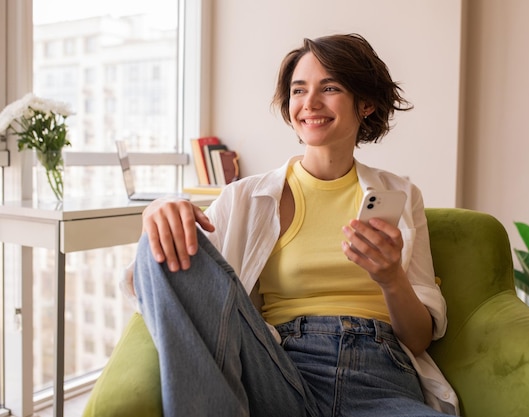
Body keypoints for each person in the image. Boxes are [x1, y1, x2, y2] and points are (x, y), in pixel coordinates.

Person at [129, 33, 459, 416]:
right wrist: (161, 209)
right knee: (161, 239)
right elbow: (166, 282)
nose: (310, 103)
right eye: (298, 90)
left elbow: (417, 340)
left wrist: (391, 278)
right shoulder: (247, 197)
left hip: (381, 380)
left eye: (330, 87)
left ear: (366, 103)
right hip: (280, 372)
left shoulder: (400, 195)